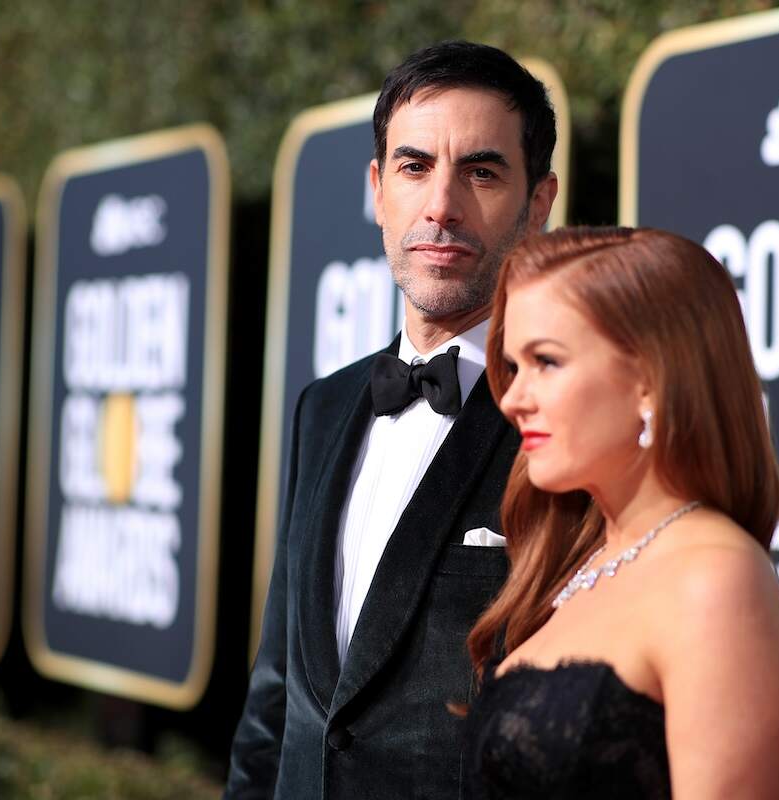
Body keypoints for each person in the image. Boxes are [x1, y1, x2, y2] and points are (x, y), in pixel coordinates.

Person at [226, 41, 558, 798]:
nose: (441, 205)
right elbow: (277, 698)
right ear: (378, 190)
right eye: (414, 168)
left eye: (481, 171)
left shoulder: (564, 420)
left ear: (540, 202)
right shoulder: (325, 406)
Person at [463, 226, 779, 799]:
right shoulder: (579, 562)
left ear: (650, 379)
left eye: (546, 361)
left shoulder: (715, 580)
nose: (513, 398)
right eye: (513, 366)